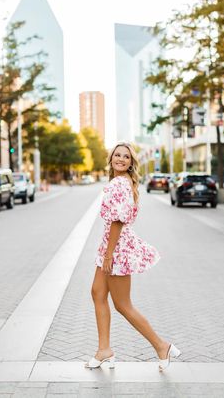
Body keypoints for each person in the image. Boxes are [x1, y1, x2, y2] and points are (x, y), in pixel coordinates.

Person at [85, 142, 181, 371]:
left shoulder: (119, 183)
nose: (120, 159)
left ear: (130, 163)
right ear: (111, 159)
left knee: (123, 304)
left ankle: (162, 346)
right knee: (98, 293)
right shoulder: (122, 182)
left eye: (125, 157)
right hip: (111, 245)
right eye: (117, 155)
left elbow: (118, 220)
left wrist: (109, 255)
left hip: (115, 248)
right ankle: (104, 350)